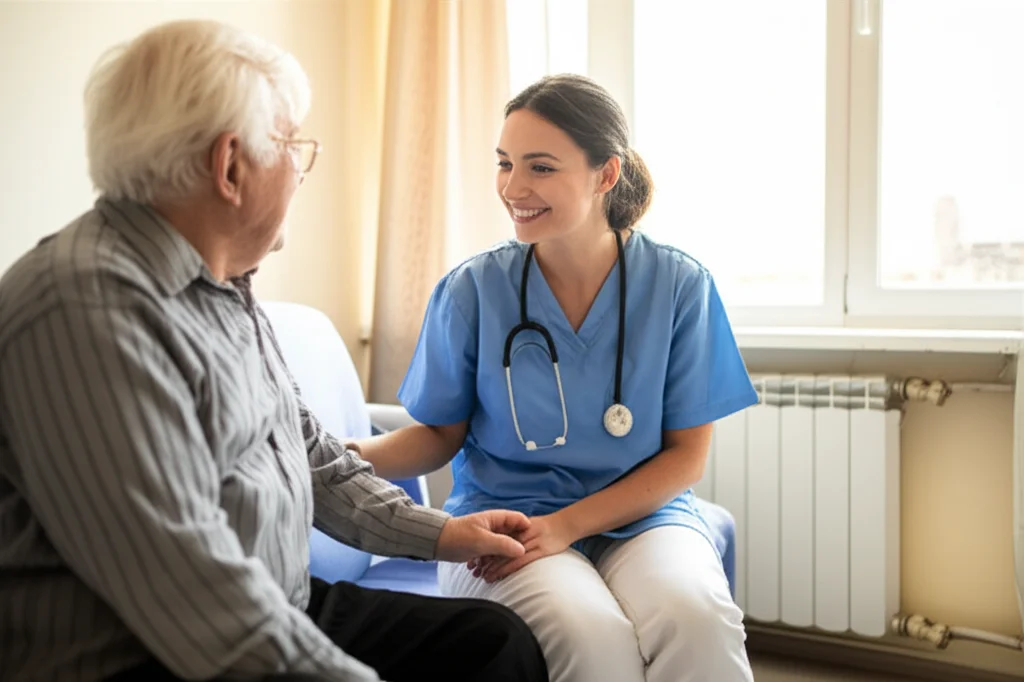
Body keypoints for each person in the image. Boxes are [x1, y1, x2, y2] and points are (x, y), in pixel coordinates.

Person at [0, 19, 548, 682]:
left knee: (493, 644)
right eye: (292, 144)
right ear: (230, 166)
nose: (300, 169)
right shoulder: (85, 311)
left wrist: (438, 534)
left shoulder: (221, 286)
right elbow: (190, 593)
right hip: (143, 648)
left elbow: (312, 458)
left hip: (272, 602)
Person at [356, 73, 760, 682]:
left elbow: (685, 459)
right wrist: (339, 459)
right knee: (590, 638)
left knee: (698, 618)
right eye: (504, 163)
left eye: (540, 168)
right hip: (506, 523)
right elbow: (437, 434)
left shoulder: (679, 287)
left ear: (606, 174)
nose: (513, 188)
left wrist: (568, 525)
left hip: (644, 518)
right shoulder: (474, 291)